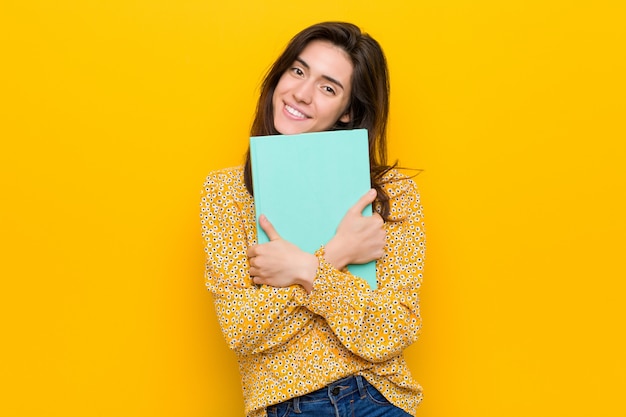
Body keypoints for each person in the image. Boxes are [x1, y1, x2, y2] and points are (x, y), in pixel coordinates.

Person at [200, 22, 425, 417]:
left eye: (328, 87)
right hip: (286, 407)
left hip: (377, 398)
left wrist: (303, 268)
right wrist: (337, 252)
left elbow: (393, 331)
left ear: (348, 111)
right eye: (298, 71)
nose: (301, 94)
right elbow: (242, 331)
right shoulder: (226, 192)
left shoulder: (391, 194)